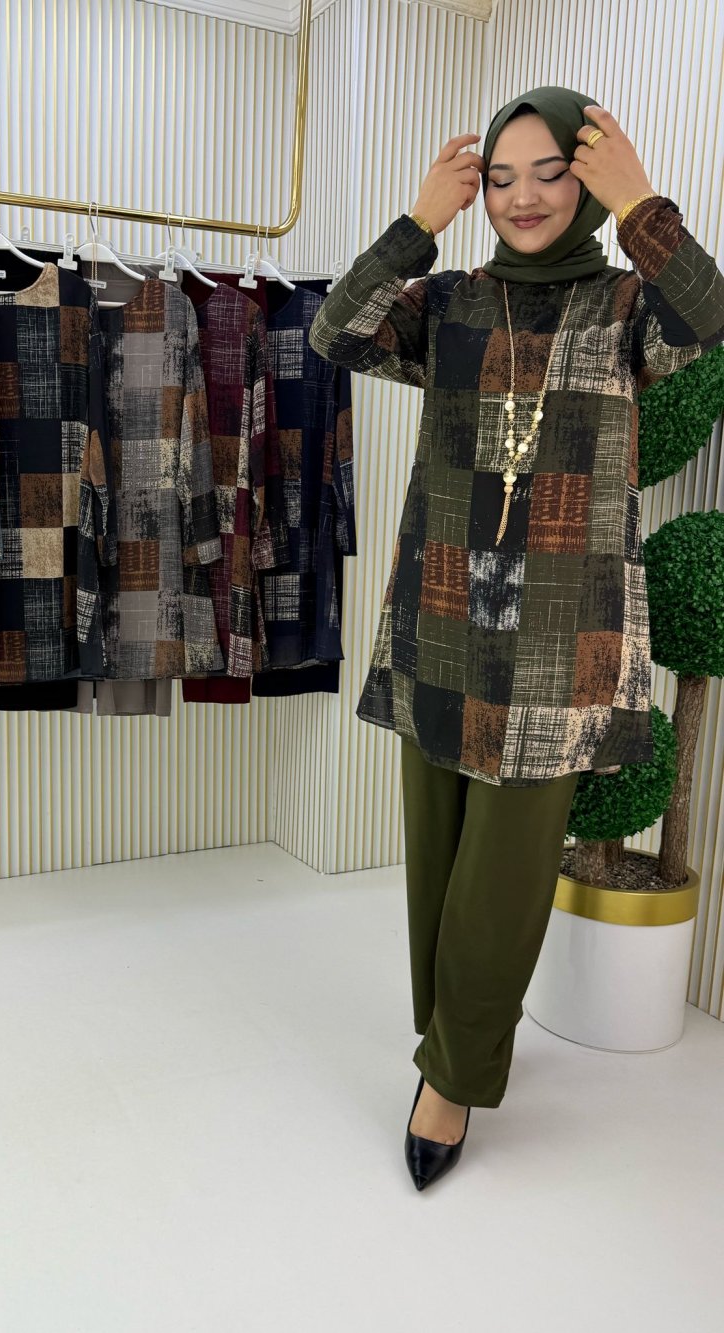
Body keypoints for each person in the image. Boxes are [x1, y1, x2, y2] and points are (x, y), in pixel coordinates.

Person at [308, 85, 724, 1191]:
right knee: (439, 856)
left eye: (550, 173)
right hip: (442, 619)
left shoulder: (628, 307)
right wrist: (419, 222)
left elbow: (708, 318)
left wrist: (642, 204)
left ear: (585, 181)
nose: (523, 197)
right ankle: (448, 1035)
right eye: (501, 177)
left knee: (502, 877)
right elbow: (334, 331)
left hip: (558, 644)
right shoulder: (448, 304)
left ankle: (451, 1081)